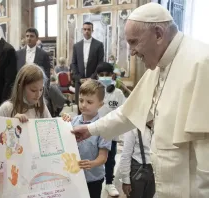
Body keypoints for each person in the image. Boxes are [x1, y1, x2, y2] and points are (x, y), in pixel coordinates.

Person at [71, 3, 209, 198]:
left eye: (134, 42)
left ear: (159, 34)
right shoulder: (160, 65)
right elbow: (128, 113)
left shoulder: (201, 62)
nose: (132, 52)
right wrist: (90, 129)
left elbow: (206, 157)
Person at [64, 79, 111, 198]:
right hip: (73, 176)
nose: (83, 105)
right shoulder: (73, 121)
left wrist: (93, 163)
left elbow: (103, 156)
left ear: (100, 104)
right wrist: (63, 122)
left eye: (89, 102)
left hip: (93, 179)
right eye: (81, 100)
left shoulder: (103, 127)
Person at [97, 62, 126, 196]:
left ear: (112, 75)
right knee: (94, 158)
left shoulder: (118, 93)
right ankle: (94, 182)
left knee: (110, 159)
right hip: (95, 132)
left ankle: (109, 183)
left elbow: (123, 111)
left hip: (111, 132)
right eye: (101, 75)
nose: (104, 77)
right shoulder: (94, 91)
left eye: (106, 75)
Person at [70, 22, 104, 114]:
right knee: (80, 106)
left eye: (89, 29)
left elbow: (100, 64)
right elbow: (74, 63)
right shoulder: (76, 46)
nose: (86, 31)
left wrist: (91, 78)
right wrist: (79, 78)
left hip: (93, 81)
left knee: (92, 105)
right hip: (79, 81)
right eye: (84, 29)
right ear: (82, 30)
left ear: (92, 31)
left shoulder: (99, 45)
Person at [119, 122, 155, 198]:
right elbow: (126, 155)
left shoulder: (158, 127)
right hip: (137, 170)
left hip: (154, 172)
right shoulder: (133, 128)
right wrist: (126, 181)